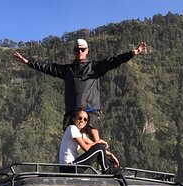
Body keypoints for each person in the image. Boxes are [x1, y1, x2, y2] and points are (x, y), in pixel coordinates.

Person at [14, 38, 147, 131]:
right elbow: (47, 67)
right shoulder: (67, 70)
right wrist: (28, 62)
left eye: (82, 49)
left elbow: (114, 61)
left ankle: (104, 166)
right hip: (72, 111)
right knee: (69, 137)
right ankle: (68, 169)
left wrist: (132, 53)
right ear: (74, 51)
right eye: (77, 50)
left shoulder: (95, 67)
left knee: (93, 135)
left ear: (87, 51)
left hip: (90, 110)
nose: (80, 52)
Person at [59, 107, 120, 173]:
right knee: (99, 146)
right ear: (73, 119)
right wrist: (98, 142)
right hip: (68, 167)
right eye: (80, 118)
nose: (82, 121)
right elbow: (86, 148)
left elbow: (93, 147)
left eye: (85, 119)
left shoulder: (80, 134)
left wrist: (110, 154)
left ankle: (111, 167)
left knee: (99, 147)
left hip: (71, 166)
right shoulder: (72, 128)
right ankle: (107, 170)